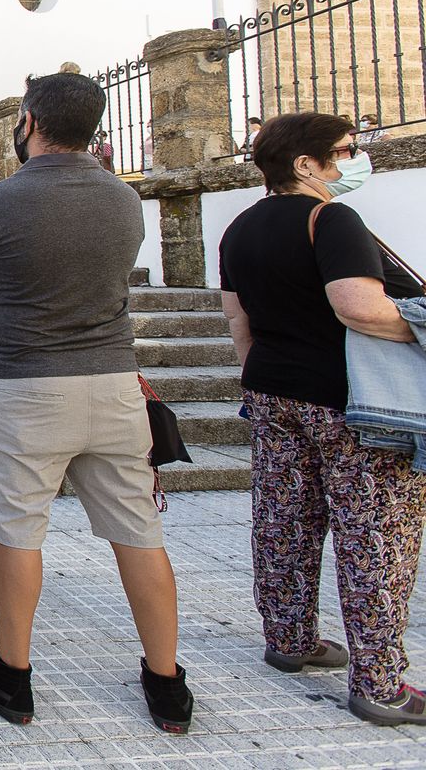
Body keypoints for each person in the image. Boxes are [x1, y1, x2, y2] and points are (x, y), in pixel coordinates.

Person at [0, 71, 193, 734]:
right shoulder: (125, 200)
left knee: (17, 532)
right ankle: (167, 684)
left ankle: (12, 674)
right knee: (139, 533)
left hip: (25, 384)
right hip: (113, 382)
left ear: (28, 122)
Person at [219, 112, 426, 726]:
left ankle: (289, 639)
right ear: (305, 163)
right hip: (350, 402)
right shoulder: (332, 219)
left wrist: (265, 377)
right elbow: (358, 307)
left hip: (273, 390)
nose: (351, 160)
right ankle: (380, 683)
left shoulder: (238, 228)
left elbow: (238, 320)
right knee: (376, 535)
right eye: (343, 151)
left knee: (285, 519)